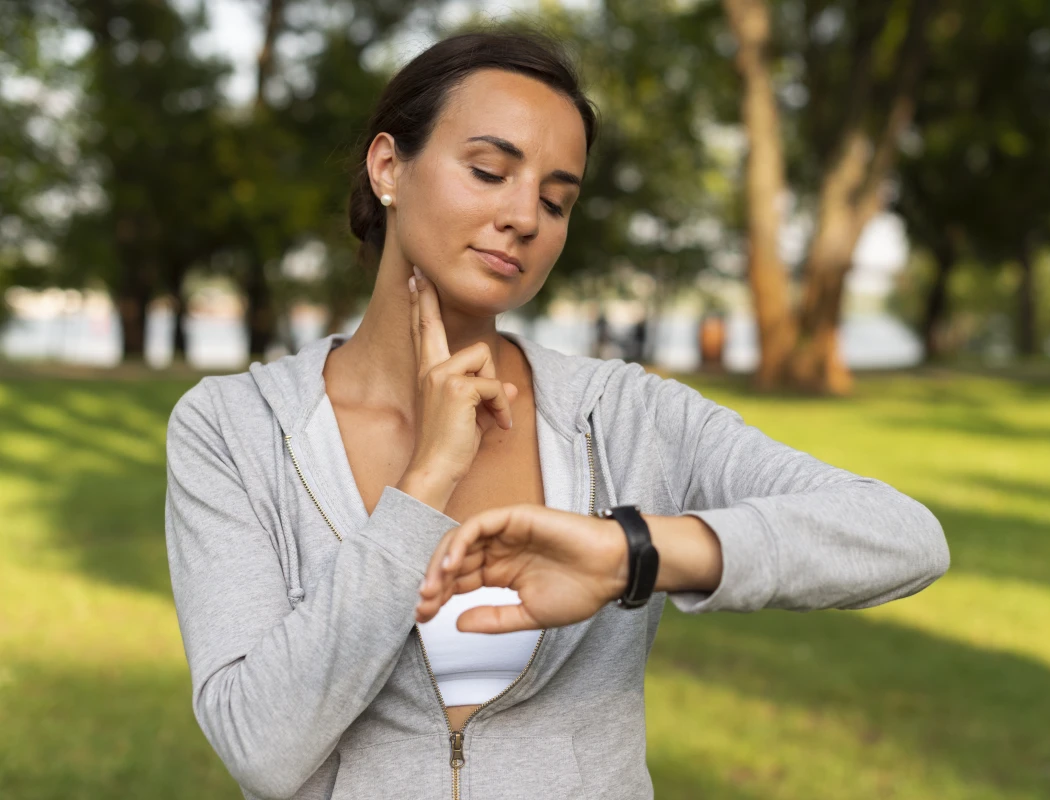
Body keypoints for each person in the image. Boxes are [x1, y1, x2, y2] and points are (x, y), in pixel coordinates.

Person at [164, 29, 950, 800]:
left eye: (554, 199)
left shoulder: (625, 416)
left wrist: (630, 553)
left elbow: (901, 536)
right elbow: (260, 750)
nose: (524, 218)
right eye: (487, 170)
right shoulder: (234, 430)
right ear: (387, 168)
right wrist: (424, 484)